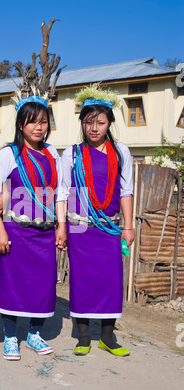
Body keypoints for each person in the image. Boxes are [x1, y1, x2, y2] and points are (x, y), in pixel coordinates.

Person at [0, 96, 67, 360]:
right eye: (32, 121)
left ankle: (34, 334)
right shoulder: (9, 154)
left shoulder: (52, 153)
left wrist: (60, 226)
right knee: (12, 285)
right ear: (21, 124)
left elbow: (59, 194)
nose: (38, 127)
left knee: (43, 285)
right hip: (16, 232)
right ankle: (10, 337)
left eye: (43, 121)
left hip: (44, 233)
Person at [61, 84, 135, 357]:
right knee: (81, 279)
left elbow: (126, 190)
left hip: (110, 225)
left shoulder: (121, 152)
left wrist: (128, 226)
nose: (94, 128)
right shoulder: (72, 154)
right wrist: (62, 228)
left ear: (109, 123)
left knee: (110, 280)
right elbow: (62, 192)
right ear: (82, 123)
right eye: (88, 122)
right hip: (80, 224)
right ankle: (82, 336)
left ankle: (107, 337)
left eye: (100, 122)